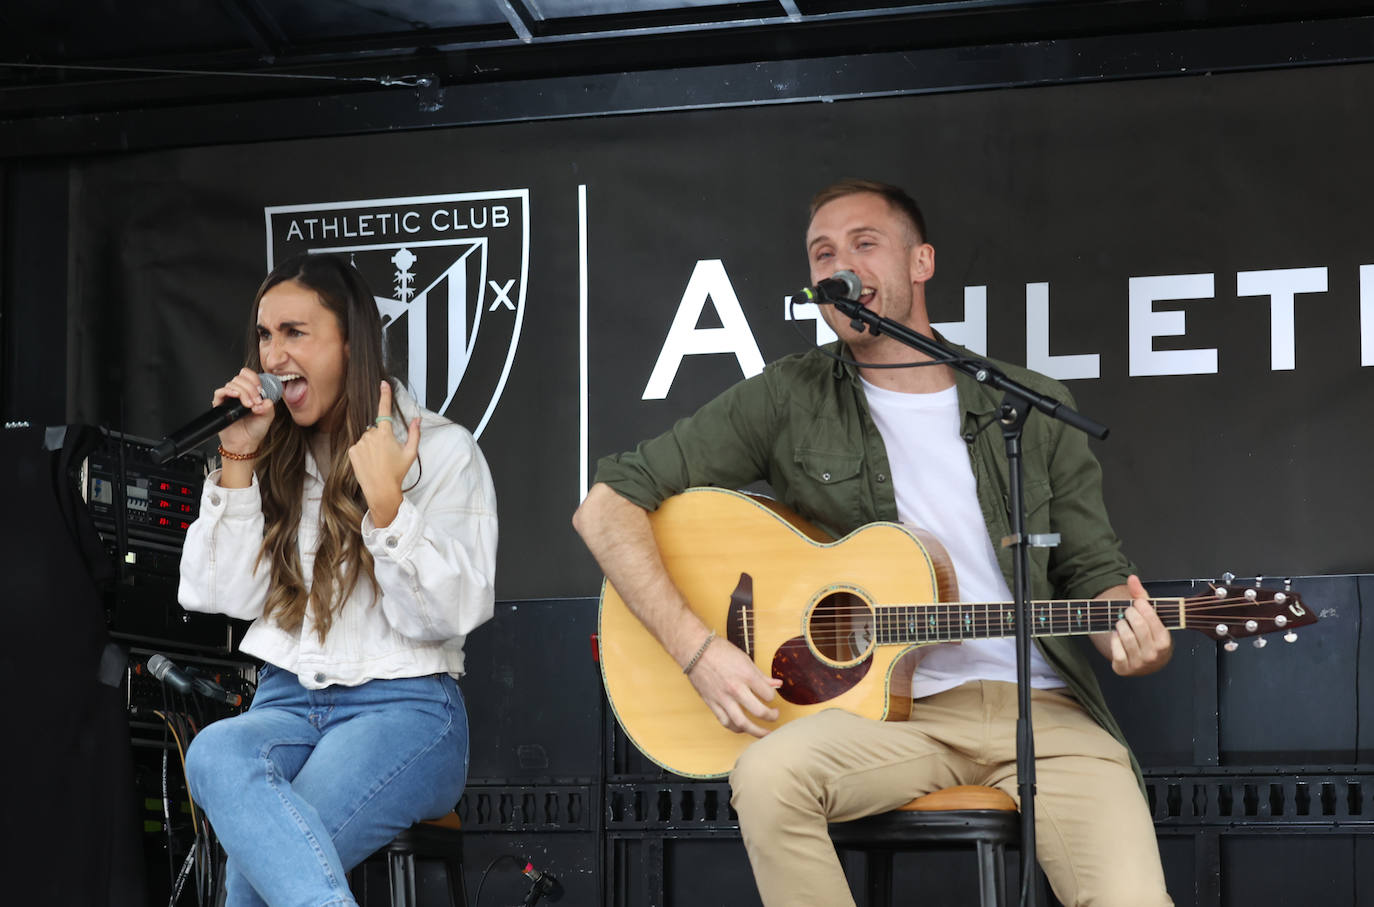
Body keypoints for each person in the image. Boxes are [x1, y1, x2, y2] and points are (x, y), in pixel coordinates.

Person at [573, 179, 1173, 906]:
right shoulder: (788, 396)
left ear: (921, 262)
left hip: (1042, 712)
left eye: (863, 244)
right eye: (823, 253)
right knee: (766, 776)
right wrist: (698, 651)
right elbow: (606, 507)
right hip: (893, 717)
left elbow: (1093, 570)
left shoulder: (1028, 404)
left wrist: (1135, 637)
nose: (839, 265)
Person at [179, 253, 498, 907]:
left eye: (294, 332)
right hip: (285, 703)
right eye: (264, 336)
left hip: (405, 708)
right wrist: (237, 458)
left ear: (352, 343)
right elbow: (218, 596)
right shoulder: (271, 454)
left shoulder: (442, 450)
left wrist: (388, 505)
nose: (273, 355)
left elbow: (445, 616)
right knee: (213, 751)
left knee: (255, 875)